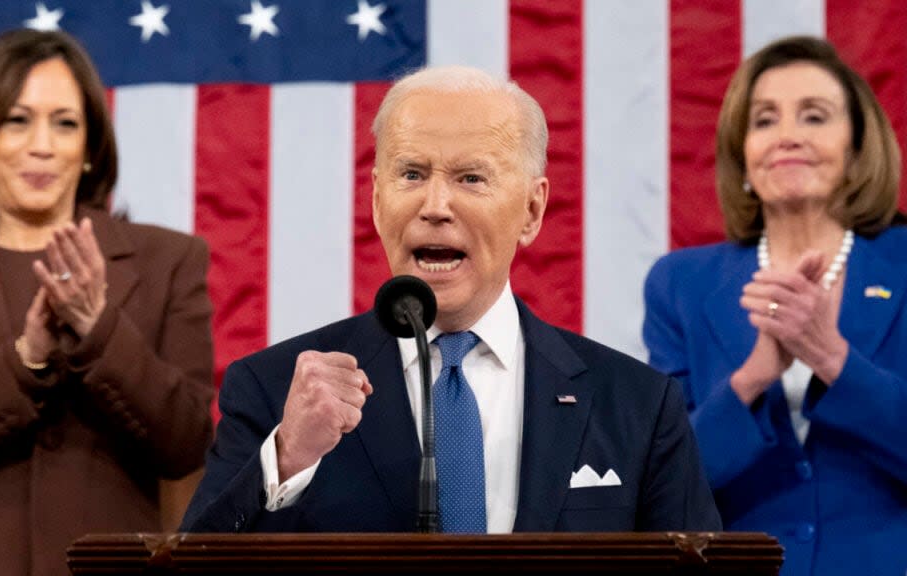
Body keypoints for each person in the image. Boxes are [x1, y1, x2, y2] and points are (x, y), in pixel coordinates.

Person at [181, 65, 720, 534]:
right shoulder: (275, 391)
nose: (435, 205)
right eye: (411, 174)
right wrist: (289, 455)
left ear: (532, 211)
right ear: (375, 200)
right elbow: (193, 566)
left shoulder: (638, 406)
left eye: (471, 178)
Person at [0, 30, 215, 576]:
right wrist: (24, 361)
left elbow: (185, 443)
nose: (42, 144)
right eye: (18, 120)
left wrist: (98, 328)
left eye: (65, 123)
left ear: (89, 146)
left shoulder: (167, 260)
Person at [643, 36, 907, 576]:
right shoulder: (681, 284)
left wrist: (832, 357)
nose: (787, 136)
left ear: (857, 148)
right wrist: (752, 378)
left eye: (814, 116)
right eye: (764, 121)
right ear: (743, 154)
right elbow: (662, 484)